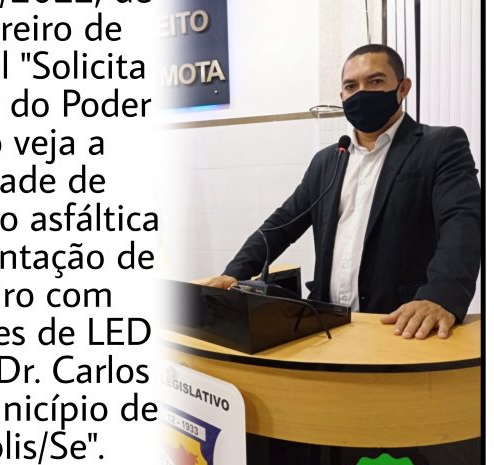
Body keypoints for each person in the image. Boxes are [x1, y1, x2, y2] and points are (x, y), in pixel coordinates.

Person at [205, 44, 480, 339]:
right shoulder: (328, 160)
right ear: (342, 96)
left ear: (403, 88)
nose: (361, 92)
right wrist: (234, 272)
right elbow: (281, 225)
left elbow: (462, 224)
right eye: (351, 86)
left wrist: (441, 297)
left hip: (401, 327)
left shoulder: (439, 145)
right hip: (328, 325)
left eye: (375, 81)